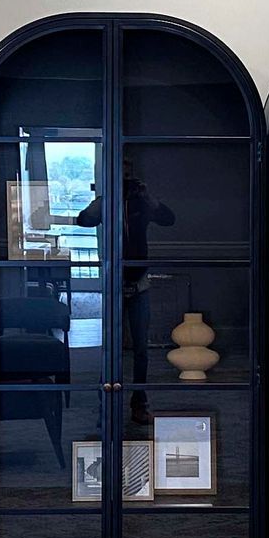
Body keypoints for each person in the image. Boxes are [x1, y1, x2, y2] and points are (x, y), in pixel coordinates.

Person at [76, 159, 175, 424]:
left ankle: (139, 403)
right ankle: (105, 405)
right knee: (111, 349)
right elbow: (83, 220)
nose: (125, 183)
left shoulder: (143, 202)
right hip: (114, 283)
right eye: (121, 177)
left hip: (139, 282)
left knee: (141, 349)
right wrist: (103, 200)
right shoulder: (106, 202)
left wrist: (148, 198)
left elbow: (169, 219)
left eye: (129, 177)